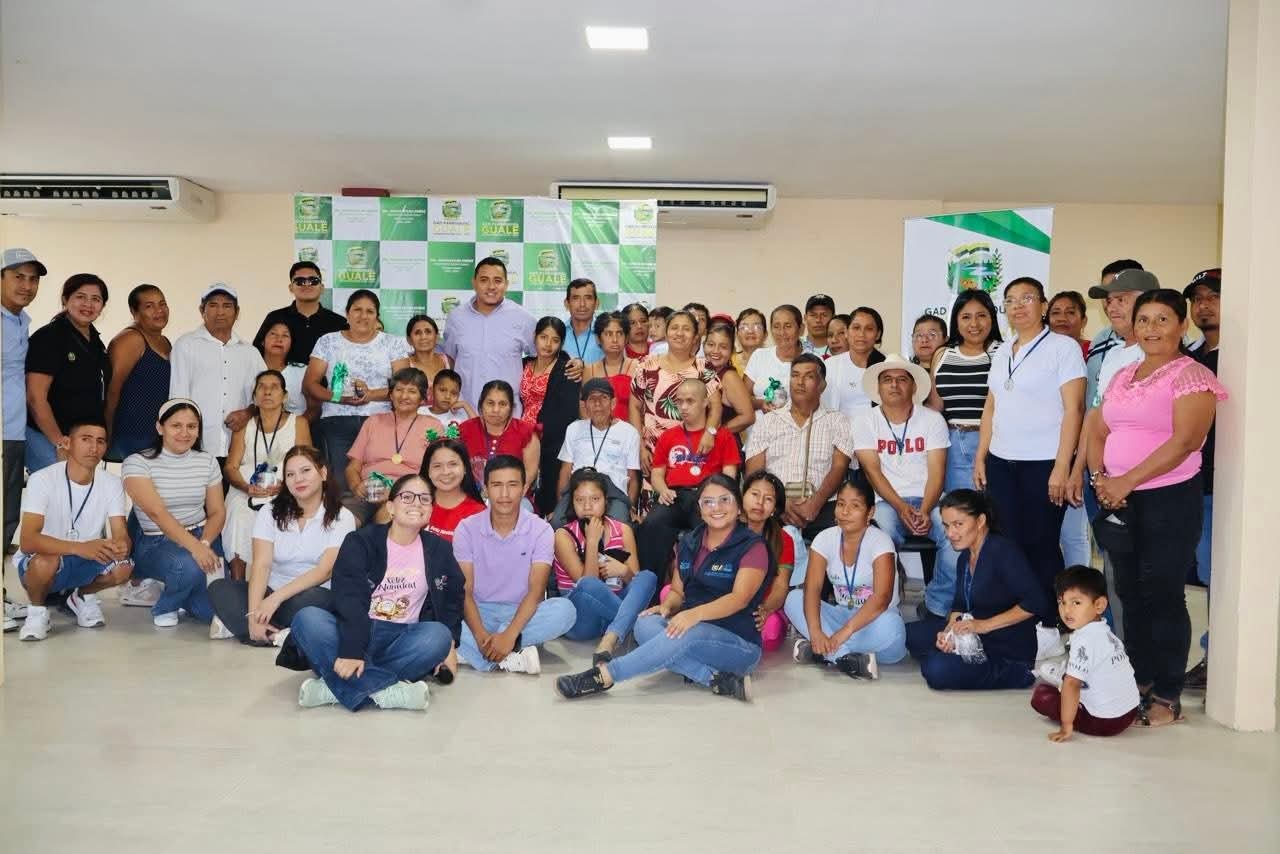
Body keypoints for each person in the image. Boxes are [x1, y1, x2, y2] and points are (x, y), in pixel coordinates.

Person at [1088, 289, 1226, 728]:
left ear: (1181, 325)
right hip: (1119, 498)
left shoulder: (1192, 375)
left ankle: (1168, 693)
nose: (1151, 328)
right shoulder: (1123, 375)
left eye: (1162, 319)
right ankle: (1140, 680)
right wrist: (1100, 479)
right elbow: (1097, 428)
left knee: (1162, 593)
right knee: (1129, 593)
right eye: (1144, 319)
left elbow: (1186, 441)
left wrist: (1125, 480)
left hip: (1169, 498)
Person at [555, 475, 769, 702]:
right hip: (694, 631)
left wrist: (693, 615)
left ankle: (605, 676)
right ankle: (714, 679)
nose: (716, 507)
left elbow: (739, 598)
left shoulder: (752, 547)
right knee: (644, 625)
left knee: (686, 632)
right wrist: (666, 607)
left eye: (725, 500)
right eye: (708, 501)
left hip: (738, 644)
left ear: (738, 507)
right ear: (699, 508)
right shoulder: (689, 542)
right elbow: (677, 592)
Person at [290, 474, 464, 712]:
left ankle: (335, 687)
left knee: (438, 636)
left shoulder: (439, 549)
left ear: (431, 510)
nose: (417, 503)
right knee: (307, 618)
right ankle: (386, 691)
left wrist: (450, 644)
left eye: (424, 498)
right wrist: (352, 650)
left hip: (401, 637)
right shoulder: (360, 541)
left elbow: (453, 595)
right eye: (407, 497)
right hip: (356, 627)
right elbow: (349, 597)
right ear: (390, 507)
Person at [975, 277, 1085, 621]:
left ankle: (1050, 621)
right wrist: (981, 456)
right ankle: (1017, 618)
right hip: (1001, 462)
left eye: (1027, 298)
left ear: (1043, 305)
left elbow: (1074, 410)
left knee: (1041, 544)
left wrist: (1062, 467)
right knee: (1007, 543)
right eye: (1010, 300)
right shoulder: (1002, 350)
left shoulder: (1063, 348)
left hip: (1043, 463)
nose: (1018, 306)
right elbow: (991, 407)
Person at [208, 444, 356, 644]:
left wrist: (274, 600)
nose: (298, 479)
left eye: (306, 471)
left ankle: (256, 631)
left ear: (323, 473)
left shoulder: (342, 516)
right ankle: (277, 634)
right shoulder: (269, 512)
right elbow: (262, 565)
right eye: (290, 474)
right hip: (271, 592)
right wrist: (254, 613)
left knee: (315, 602)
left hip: (311, 594)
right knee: (220, 589)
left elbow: (325, 571)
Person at [852, 354, 959, 619]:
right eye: (887, 379)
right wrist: (901, 508)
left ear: (913, 386)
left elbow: (937, 473)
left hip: (930, 499)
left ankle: (937, 605)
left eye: (902, 379)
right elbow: (873, 473)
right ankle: (886, 605)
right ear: (878, 388)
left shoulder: (932, 420)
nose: (894, 384)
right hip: (886, 502)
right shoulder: (864, 421)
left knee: (956, 534)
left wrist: (925, 510)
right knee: (883, 536)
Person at [906, 490, 1046, 690]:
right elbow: (959, 605)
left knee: (935, 669)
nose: (950, 534)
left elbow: (1036, 602)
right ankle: (955, 657)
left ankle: (1016, 674)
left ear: (980, 521)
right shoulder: (965, 557)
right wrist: (948, 634)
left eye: (958, 524)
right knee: (909, 635)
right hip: (972, 635)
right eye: (946, 525)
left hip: (1006, 648)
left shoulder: (1003, 551)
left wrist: (983, 625)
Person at [453, 455, 576, 674]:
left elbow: (536, 591)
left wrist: (509, 635)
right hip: (478, 613)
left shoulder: (541, 530)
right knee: (438, 615)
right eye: (496, 485)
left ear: (524, 488)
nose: (504, 494)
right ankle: (506, 658)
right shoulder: (466, 529)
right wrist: (481, 636)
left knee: (566, 611)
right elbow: (465, 592)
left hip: (522, 614)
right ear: (485, 489)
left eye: (512, 485)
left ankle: (480, 652)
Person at [15, 418, 133, 640]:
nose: (94, 447)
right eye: (86, 439)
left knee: (124, 567)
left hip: (87, 557)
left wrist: (121, 545)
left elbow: (120, 532)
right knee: (44, 562)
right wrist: (80, 547)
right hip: (46, 559)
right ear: (68, 443)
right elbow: (28, 541)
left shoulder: (112, 483)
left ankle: (81, 596)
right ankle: (37, 612)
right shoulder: (42, 479)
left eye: (100, 441)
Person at [786, 477, 907, 677]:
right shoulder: (824, 539)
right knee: (793, 599)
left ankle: (822, 653)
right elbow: (813, 588)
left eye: (855, 506)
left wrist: (842, 633)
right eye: (841, 504)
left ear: (870, 512)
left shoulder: (881, 541)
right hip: (841, 616)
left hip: (875, 621)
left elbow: (881, 599)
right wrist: (816, 631)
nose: (845, 512)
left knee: (892, 628)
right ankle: (844, 658)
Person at [122, 399, 226, 627]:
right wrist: (195, 548)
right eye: (176, 425)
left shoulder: (207, 461)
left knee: (211, 611)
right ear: (160, 428)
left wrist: (204, 543)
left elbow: (217, 511)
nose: (184, 433)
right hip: (156, 542)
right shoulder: (137, 462)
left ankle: (180, 587)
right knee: (187, 565)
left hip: (202, 535)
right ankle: (165, 606)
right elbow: (157, 513)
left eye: (192, 426)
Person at [638, 379, 741, 581]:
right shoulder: (668, 436)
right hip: (674, 495)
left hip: (707, 498)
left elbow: (730, 476)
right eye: (679, 401)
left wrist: (718, 499)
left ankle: (706, 585)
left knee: (709, 528)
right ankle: (650, 588)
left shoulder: (723, 436)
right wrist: (663, 490)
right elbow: (657, 474)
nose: (683, 407)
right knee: (651, 525)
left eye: (690, 401)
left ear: (705, 402)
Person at [743, 354, 854, 541]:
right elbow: (754, 473)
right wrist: (781, 504)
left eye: (809, 376)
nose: (800, 382)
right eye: (795, 375)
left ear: (822, 385)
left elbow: (839, 467)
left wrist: (816, 503)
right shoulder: (769, 421)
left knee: (850, 529)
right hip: (774, 506)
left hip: (823, 505)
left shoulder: (837, 421)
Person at [304, 289, 411, 480]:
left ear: (377, 316)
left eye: (370, 311)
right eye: (357, 310)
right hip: (337, 422)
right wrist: (339, 398)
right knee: (341, 483)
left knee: (378, 481)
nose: (363, 316)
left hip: (380, 421)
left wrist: (371, 395)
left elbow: (405, 388)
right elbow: (310, 384)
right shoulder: (328, 341)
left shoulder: (393, 343)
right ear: (347, 313)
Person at [553, 469, 656, 662]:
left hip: (612, 608)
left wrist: (624, 571)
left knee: (647, 577)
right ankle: (636, 624)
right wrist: (592, 542)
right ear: (572, 503)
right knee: (588, 584)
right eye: (580, 500)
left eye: (595, 499)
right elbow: (586, 585)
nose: (587, 506)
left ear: (605, 501)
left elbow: (636, 583)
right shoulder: (563, 535)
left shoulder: (622, 530)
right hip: (583, 619)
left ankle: (612, 636)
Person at [1032, 566, 1140, 741]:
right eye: (1062, 602)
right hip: (1130, 711)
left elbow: (1072, 685)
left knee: (1041, 696)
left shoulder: (1084, 640)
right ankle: (1068, 674)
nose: (1067, 610)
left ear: (1099, 605)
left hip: (1104, 721)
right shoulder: (1107, 633)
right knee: (1073, 681)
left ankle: (1065, 677)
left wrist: (1066, 725)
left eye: (1076, 603)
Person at [222, 370, 311, 579]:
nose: (267, 391)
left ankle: (276, 580)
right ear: (254, 396)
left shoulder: (298, 423)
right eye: (261, 387)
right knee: (238, 512)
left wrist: (285, 486)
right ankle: (237, 582)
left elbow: (307, 464)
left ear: (285, 396)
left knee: (283, 512)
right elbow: (230, 467)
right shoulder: (244, 426)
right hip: (246, 489)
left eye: (274, 387)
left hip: (287, 488)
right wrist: (246, 488)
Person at [25, 273, 112, 473]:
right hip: (48, 436)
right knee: (61, 484)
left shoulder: (95, 341)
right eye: (80, 297)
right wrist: (59, 443)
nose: (88, 304)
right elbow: (35, 397)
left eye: (96, 299)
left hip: (80, 439)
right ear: (65, 299)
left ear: (102, 306)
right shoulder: (49, 337)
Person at [169, 284, 266, 463]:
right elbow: (178, 398)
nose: (220, 312)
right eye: (213, 305)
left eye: (227, 306)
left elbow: (266, 396)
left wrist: (247, 413)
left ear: (237, 312)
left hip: (239, 452)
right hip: (196, 448)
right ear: (202, 310)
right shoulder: (186, 345)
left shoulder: (250, 353)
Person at [1182, 267, 1221, 690]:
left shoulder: (1244, 356)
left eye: (1213, 297)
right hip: (1192, 484)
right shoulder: (1189, 359)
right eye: (1198, 299)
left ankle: (1219, 658)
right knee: (1207, 573)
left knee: (1219, 574)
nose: (1203, 306)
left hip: (1228, 486)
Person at [2, 248, 43, 630]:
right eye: (18, 276)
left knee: (6, 517)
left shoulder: (19, 321)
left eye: (32, 279)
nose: (27, 285)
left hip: (13, 433)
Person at [925, 289, 1002, 493]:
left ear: (992, 318)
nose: (974, 324)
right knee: (958, 508)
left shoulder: (1004, 352)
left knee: (993, 508)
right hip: (952, 445)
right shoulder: (942, 354)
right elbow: (935, 405)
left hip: (995, 444)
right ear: (956, 321)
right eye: (966, 317)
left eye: (981, 315)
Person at [440, 257, 539, 414]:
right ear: (474, 282)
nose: (491, 286)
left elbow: (542, 359)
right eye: (484, 280)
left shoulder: (523, 318)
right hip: (465, 412)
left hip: (508, 415)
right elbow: (450, 359)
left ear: (506, 284)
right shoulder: (456, 318)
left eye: (497, 281)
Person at [345, 368, 443, 523]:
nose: (404, 396)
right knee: (342, 521)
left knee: (388, 517)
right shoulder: (373, 422)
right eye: (399, 390)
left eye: (412, 391)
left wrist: (397, 491)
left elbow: (437, 470)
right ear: (391, 395)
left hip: (407, 495)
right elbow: (352, 467)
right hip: (368, 492)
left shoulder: (433, 426)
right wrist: (357, 487)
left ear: (422, 398)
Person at [629, 309, 723, 471]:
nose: (679, 333)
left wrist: (710, 433)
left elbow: (716, 406)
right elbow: (634, 407)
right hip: (652, 453)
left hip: (693, 452)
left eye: (686, 329)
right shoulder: (646, 365)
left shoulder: (703, 367)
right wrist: (640, 447)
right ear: (666, 333)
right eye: (674, 328)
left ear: (695, 337)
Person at [552, 378, 641, 525]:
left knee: (618, 525)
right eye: (592, 399)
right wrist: (560, 504)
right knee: (557, 522)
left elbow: (632, 477)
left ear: (613, 403)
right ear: (585, 405)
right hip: (579, 486)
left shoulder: (629, 432)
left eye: (603, 398)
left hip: (613, 491)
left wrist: (630, 506)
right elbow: (565, 470)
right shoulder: (574, 429)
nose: (598, 404)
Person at [105, 284, 172, 461]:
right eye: (149, 306)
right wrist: (106, 435)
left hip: (157, 436)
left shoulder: (165, 342)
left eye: (162, 304)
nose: (159, 311)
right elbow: (112, 391)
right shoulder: (130, 339)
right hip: (131, 435)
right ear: (134, 312)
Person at [251, 261, 348, 365]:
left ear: (322, 287)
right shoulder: (275, 318)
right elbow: (256, 355)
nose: (306, 285)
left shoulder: (338, 323)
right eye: (300, 281)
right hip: (283, 376)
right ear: (291, 288)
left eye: (313, 281)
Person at [740, 470, 795, 653]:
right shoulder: (726, 529)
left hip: (764, 606)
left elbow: (780, 586)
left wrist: (765, 609)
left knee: (770, 629)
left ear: (775, 509)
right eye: (755, 494)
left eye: (768, 499)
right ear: (743, 496)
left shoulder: (783, 540)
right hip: (727, 603)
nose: (760, 502)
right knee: (668, 592)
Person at [457, 380, 541, 495]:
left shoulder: (526, 433)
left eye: (502, 404)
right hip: (470, 494)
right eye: (490, 403)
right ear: (481, 404)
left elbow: (529, 473)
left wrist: (505, 495)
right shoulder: (464, 430)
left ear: (511, 407)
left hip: (512, 496)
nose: (496, 410)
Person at [1084, 259, 1146, 407]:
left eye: (1121, 298)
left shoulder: (1167, 345)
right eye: (1108, 298)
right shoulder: (1100, 341)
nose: (1110, 306)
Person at [821, 306, 888, 421]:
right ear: (847, 332)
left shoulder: (888, 366)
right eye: (856, 328)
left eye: (869, 329)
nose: (861, 334)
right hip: (838, 430)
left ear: (877, 334)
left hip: (878, 430)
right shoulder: (830, 366)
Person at [420, 438, 486, 542]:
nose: (445, 472)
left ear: (465, 468)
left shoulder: (479, 514)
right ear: (428, 470)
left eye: (453, 464)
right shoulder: (416, 504)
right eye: (437, 466)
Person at [701, 323, 756, 440]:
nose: (716, 351)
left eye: (723, 347)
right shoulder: (701, 370)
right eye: (711, 345)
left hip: (723, 445)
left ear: (732, 351)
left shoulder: (729, 377)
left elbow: (748, 417)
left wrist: (713, 434)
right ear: (703, 345)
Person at [745, 304, 804, 411]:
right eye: (776, 326)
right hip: (760, 421)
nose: (782, 332)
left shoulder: (812, 361)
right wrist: (761, 403)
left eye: (788, 326)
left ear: (801, 329)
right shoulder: (759, 356)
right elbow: (743, 397)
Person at [582, 311, 637, 422]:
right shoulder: (589, 370)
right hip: (597, 430)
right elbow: (584, 407)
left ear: (626, 338)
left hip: (630, 430)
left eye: (619, 333)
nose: (615, 340)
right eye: (608, 334)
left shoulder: (638, 367)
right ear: (598, 339)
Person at [258, 320, 311, 417]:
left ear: (291, 343)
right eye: (273, 334)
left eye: (285, 335)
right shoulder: (251, 368)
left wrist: (299, 424)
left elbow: (314, 409)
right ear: (262, 341)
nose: (279, 339)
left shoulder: (303, 371)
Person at [404, 314, 451, 401]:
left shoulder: (447, 361)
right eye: (417, 333)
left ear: (437, 337)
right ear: (409, 340)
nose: (423, 337)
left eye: (428, 332)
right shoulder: (404, 364)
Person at [562, 278, 604, 367]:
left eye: (588, 298)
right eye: (576, 298)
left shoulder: (607, 332)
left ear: (596, 303)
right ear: (567, 304)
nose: (582, 304)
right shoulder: (558, 332)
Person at [1048, 291, 1090, 356]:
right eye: (1056, 312)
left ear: (1083, 321)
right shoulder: (1039, 350)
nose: (1062, 318)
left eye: (1070, 312)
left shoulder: (1095, 350)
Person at [733, 307, 768, 373]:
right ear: (737, 334)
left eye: (757, 327)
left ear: (765, 334)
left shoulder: (775, 362)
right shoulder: (728, 362)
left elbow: (775, 379)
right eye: (744, 327)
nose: (750, 331)